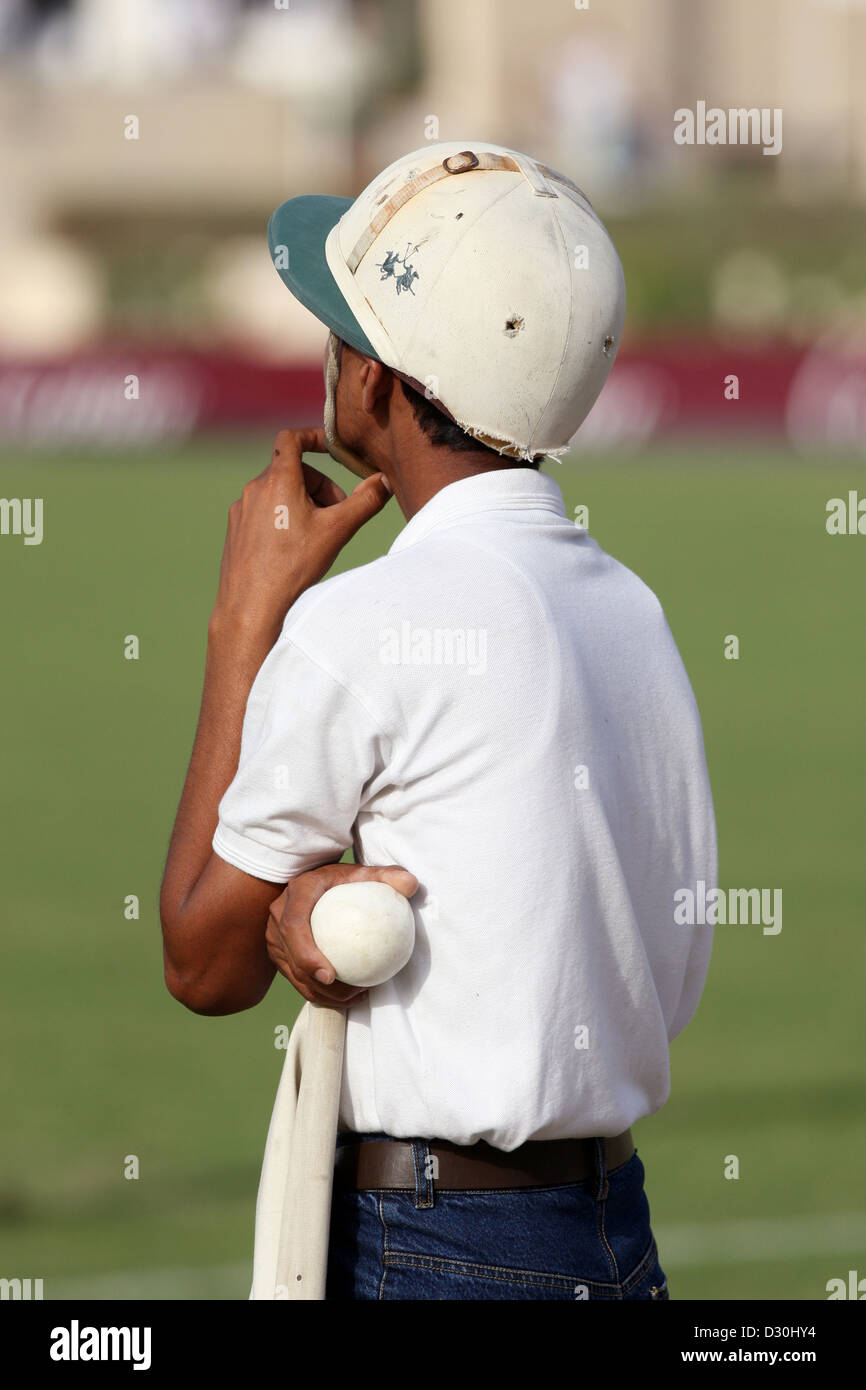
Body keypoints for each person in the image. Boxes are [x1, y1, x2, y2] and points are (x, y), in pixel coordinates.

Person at [159, 141, 717, 1301]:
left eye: (340, 323)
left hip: (440, 1246)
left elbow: (201, 959)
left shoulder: (363, 621)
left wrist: (243, 620)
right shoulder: (634, 611)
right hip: (613, 1230)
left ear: (373, 382)